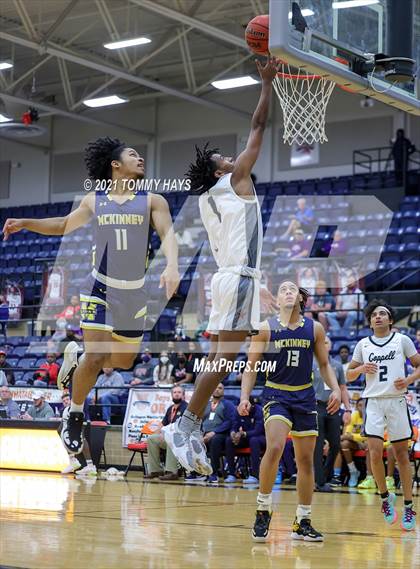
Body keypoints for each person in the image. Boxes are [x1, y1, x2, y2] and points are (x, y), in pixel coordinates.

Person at [2, 136, 180, 454]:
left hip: (134, 294)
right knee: (98, 357)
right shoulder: (95, 200)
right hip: (99, 287)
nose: (140, 159)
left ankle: (79, 360)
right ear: (115, 164)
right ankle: (74, 414)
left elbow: (167, 233)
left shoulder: (154, 200)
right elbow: (63, 225)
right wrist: (26, 223)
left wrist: (173, 266)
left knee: (124, 362)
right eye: (133, 155)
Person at [163, 56, 279, 475]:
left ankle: (189, 427)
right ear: (219, 171)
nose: (235, 158)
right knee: (223, 361)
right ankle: (186, 424)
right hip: (236, 279)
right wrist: (266, 84)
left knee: (219, 359)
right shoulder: (235, 181)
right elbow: (259, 127)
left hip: (230, 279)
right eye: (225, 158)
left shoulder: (206, 197)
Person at [239, 280, 341, 542]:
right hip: (276, 394)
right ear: (277, 298)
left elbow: (325, 364)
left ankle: (303, 519)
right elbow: (251, 367)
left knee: (306, 461)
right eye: (282, 289)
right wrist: (244, 396)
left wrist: (336, 389)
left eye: (291, 289)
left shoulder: (314, 328)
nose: (287, 292)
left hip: (305, 396)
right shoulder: (265, 328)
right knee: (274, 447)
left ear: (299, 298)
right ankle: (263, 509)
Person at [346, 299, 420, 531]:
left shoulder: (402, 340)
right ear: (369, 321)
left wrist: (408, 380)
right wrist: (359, 369)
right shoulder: (363, 345)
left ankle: (408, 505)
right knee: (375, 454)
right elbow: (348, 376)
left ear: (390, 319)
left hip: (397, 402)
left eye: (382, 313)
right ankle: (385, 498)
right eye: (374, 315)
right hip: (374, 403)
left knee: (401, 456)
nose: (378, 317)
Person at [313, 335, 352, 491]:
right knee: (318, 444)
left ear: (330, 346)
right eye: (322, 342)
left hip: (334, 407)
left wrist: (348, 409)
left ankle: (326, 476)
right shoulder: (310, 363)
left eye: (326, 342)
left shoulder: (336, 365)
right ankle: (320, 482)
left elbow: (342, 388)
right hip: (316, 406)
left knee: (335, 444)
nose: (324, 344)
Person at [144, 386, 188, 481]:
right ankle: (156, 470)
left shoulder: (187, 408)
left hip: (182, 439)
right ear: (172, 395)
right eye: (175, 392)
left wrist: (166, 434)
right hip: (168, 436)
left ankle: (172, 472)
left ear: (183, 395)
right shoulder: (170, 408)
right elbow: (162, 424)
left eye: (179, 392)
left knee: (171, 438)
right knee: (151, 439)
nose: (176, 394)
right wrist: (158, 433)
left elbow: (181, 427)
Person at [201, 383, 235, 484]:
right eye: (215, 387)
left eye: (220, 388)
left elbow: (229, 421)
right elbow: (199, 420)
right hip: (204, 432)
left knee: (214, 440)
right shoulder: (206, 404)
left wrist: (214, 432)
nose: (217, 390)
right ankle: (195, 473)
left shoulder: (228, 404)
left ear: (223, 391)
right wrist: (199, 433)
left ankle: (214, 474)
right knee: (193, 440)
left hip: (220, 433)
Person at [225, 399, 265, 484]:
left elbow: (258, 430)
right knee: (229, 440)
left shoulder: (259, 411)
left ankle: (255, 475)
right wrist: (233, 433)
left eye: (246, 406)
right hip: (244, 437)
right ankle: (231, 474)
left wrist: (243, 434)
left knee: (254, 441)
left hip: (260, 437)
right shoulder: (239, 410)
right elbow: (234, 425)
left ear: (252, 406)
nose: (244, 408)